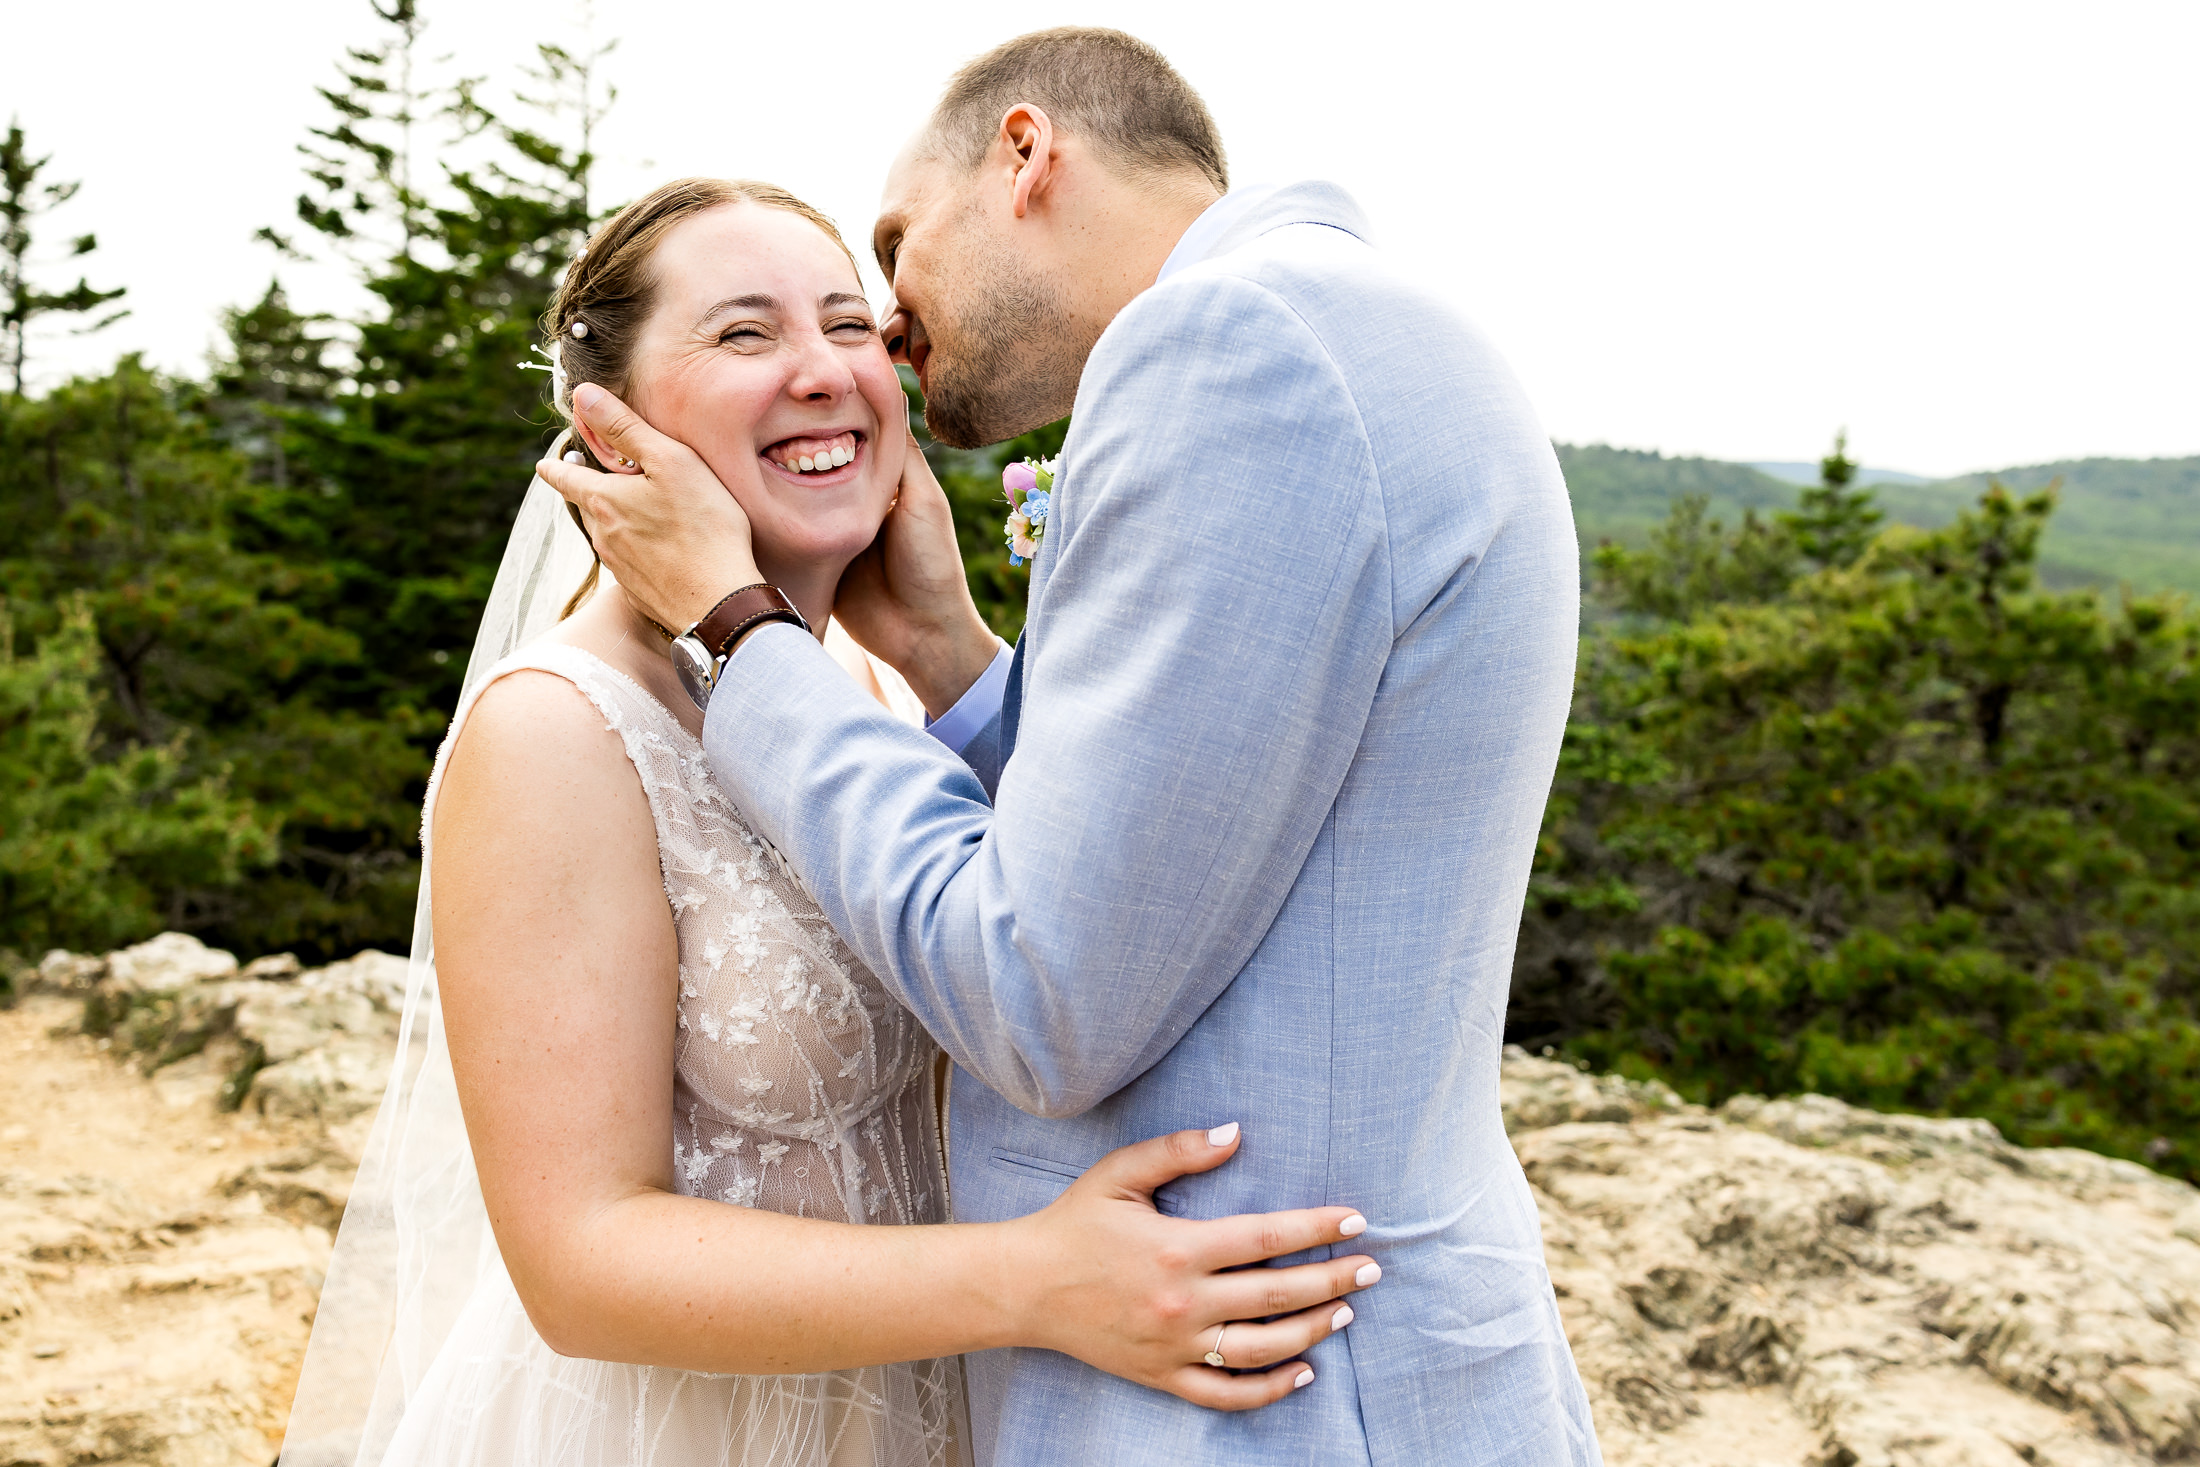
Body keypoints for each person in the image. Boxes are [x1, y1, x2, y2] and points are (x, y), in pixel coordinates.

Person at [543, 26, 1603, 1467]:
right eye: (747, 330)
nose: (888, 336)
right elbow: (1197, 829)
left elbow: (1042, 992)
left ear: (1027, 156)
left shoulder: (1228, 347)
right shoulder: (1358, 325)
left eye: (887, 261)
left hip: (1265, 1398)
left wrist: (739, 635)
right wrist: (949, 664)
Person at [277, 177, 1379, 1467]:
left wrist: (940, 641)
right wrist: (1038, 1282)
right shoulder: (558, 735)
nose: (824, 373)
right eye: (746, 335)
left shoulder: (852, 695)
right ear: (609, 422)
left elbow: (1078, 934)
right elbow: (577, 1264)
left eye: (852, 327)